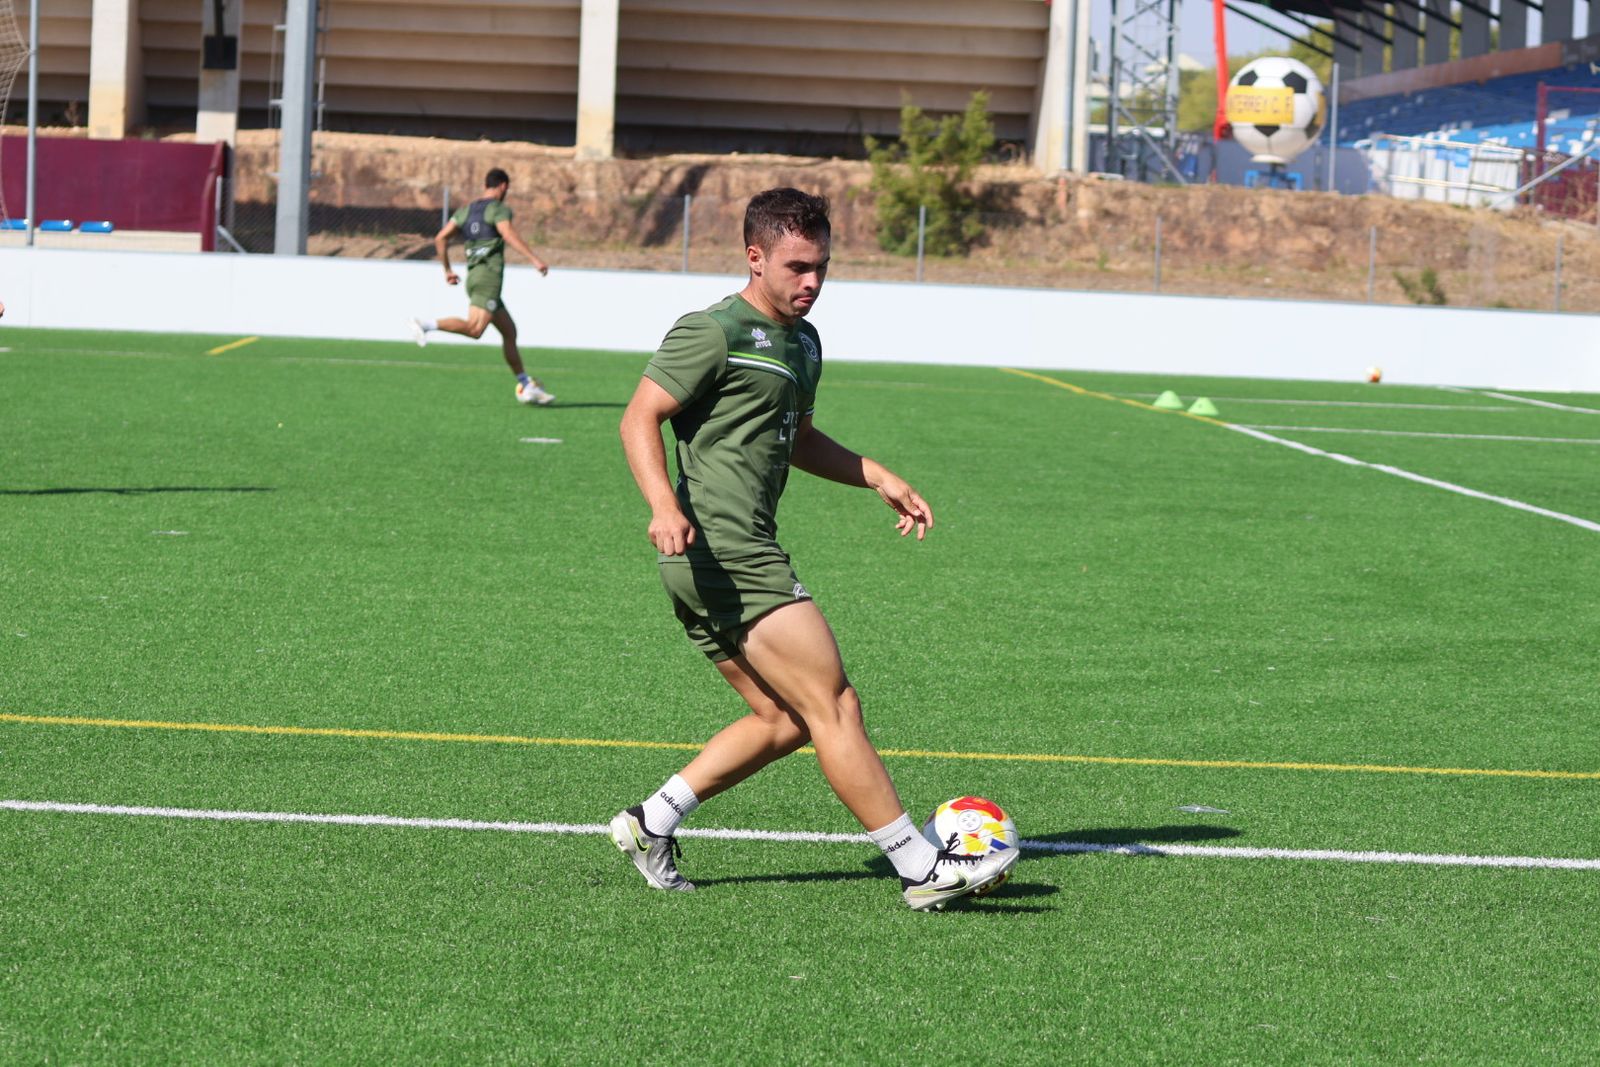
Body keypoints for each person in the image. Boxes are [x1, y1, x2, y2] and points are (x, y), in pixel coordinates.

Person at [612, 188, 1016, 911]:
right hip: (723, 549)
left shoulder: (804, 343)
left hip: (717, 558)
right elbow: (639, 417)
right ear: (755, 256)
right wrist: (663, 505)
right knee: (835, 703)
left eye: (822, 266)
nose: (812, 281)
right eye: (797, 266)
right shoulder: (713, 330)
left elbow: (797, 437)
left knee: (786, 719)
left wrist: (875, 475)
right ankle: (921, 866)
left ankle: (652, 821)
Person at [409, 167, 555, 406]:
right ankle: (426, 325)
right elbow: (507, 233)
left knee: (509, 332)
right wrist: (534, 259)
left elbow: (440, 238)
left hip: (474, 277)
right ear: (503, 186)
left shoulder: (466, 210)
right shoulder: (498, 208)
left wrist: (447, 270)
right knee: (475, 329)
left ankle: (526, 385)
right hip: (489, 279)